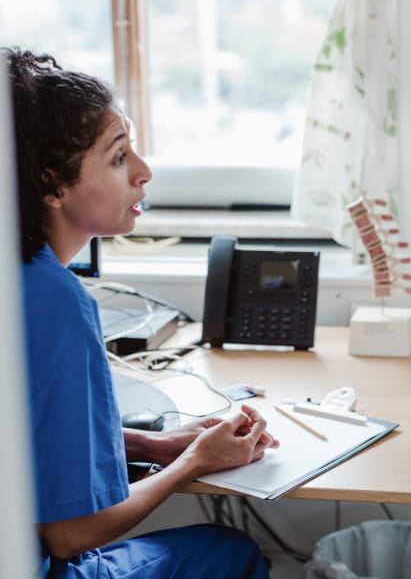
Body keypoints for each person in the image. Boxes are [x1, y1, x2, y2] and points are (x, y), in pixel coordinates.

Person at [5, 46, 279, 579]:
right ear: (51, 186)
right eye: (118, 156)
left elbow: (20, 434)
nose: (144, 172)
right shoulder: (57, 303)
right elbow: (71, 534)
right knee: (230, 550)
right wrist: (195, 463)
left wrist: (151, 445)